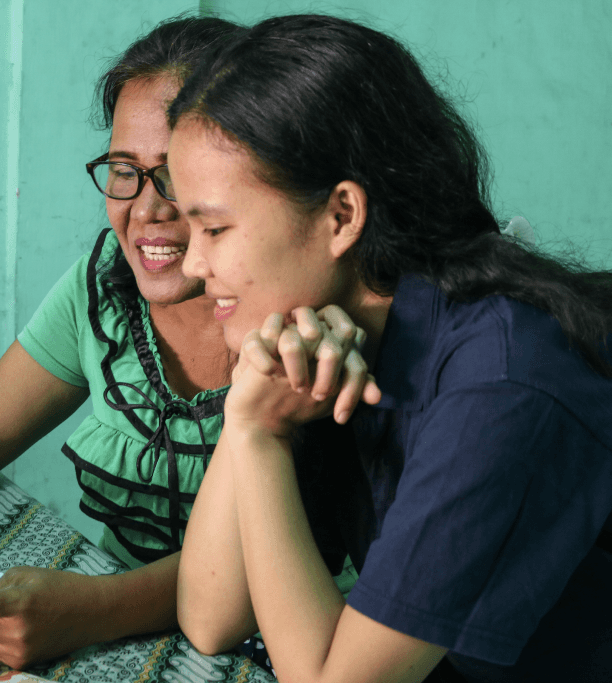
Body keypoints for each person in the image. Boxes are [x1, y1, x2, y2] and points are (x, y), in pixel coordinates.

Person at [0, 16, 373, 669]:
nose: (147, 208)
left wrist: (90, 610)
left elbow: (248, 581)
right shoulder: (104, 288)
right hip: (124, 627)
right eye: (124, 170)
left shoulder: (299, 318)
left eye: (177, 175)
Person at [167, 14, 612, 683]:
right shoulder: (339, 338)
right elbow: (210, 617)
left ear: (342, 215)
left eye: (215, 229)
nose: (192, 264)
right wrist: (250, 421)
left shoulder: (500, 382)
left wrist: (261, 438)